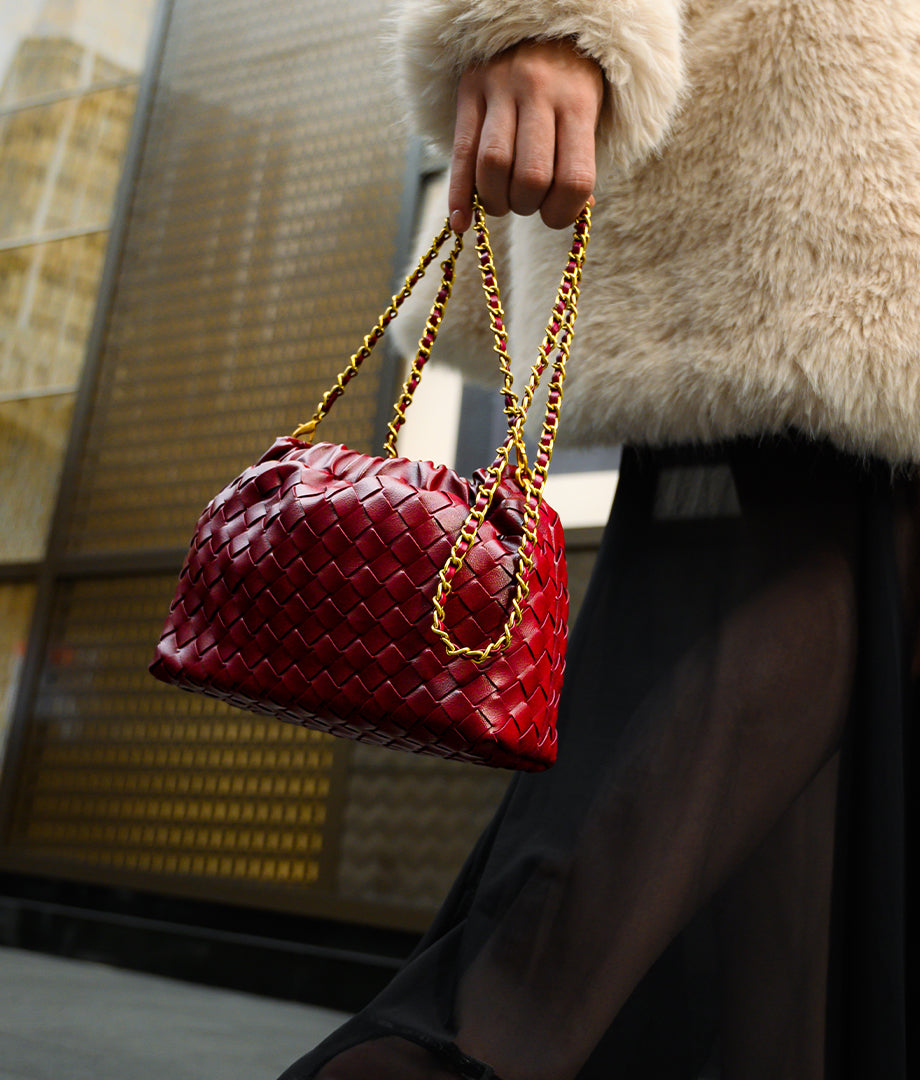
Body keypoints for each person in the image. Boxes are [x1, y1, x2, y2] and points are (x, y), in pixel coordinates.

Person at [278, 2, 918, 1077]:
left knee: (817, 803)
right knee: (814, 575)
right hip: (818, 147)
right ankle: (458, 1047)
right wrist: (550, 19)